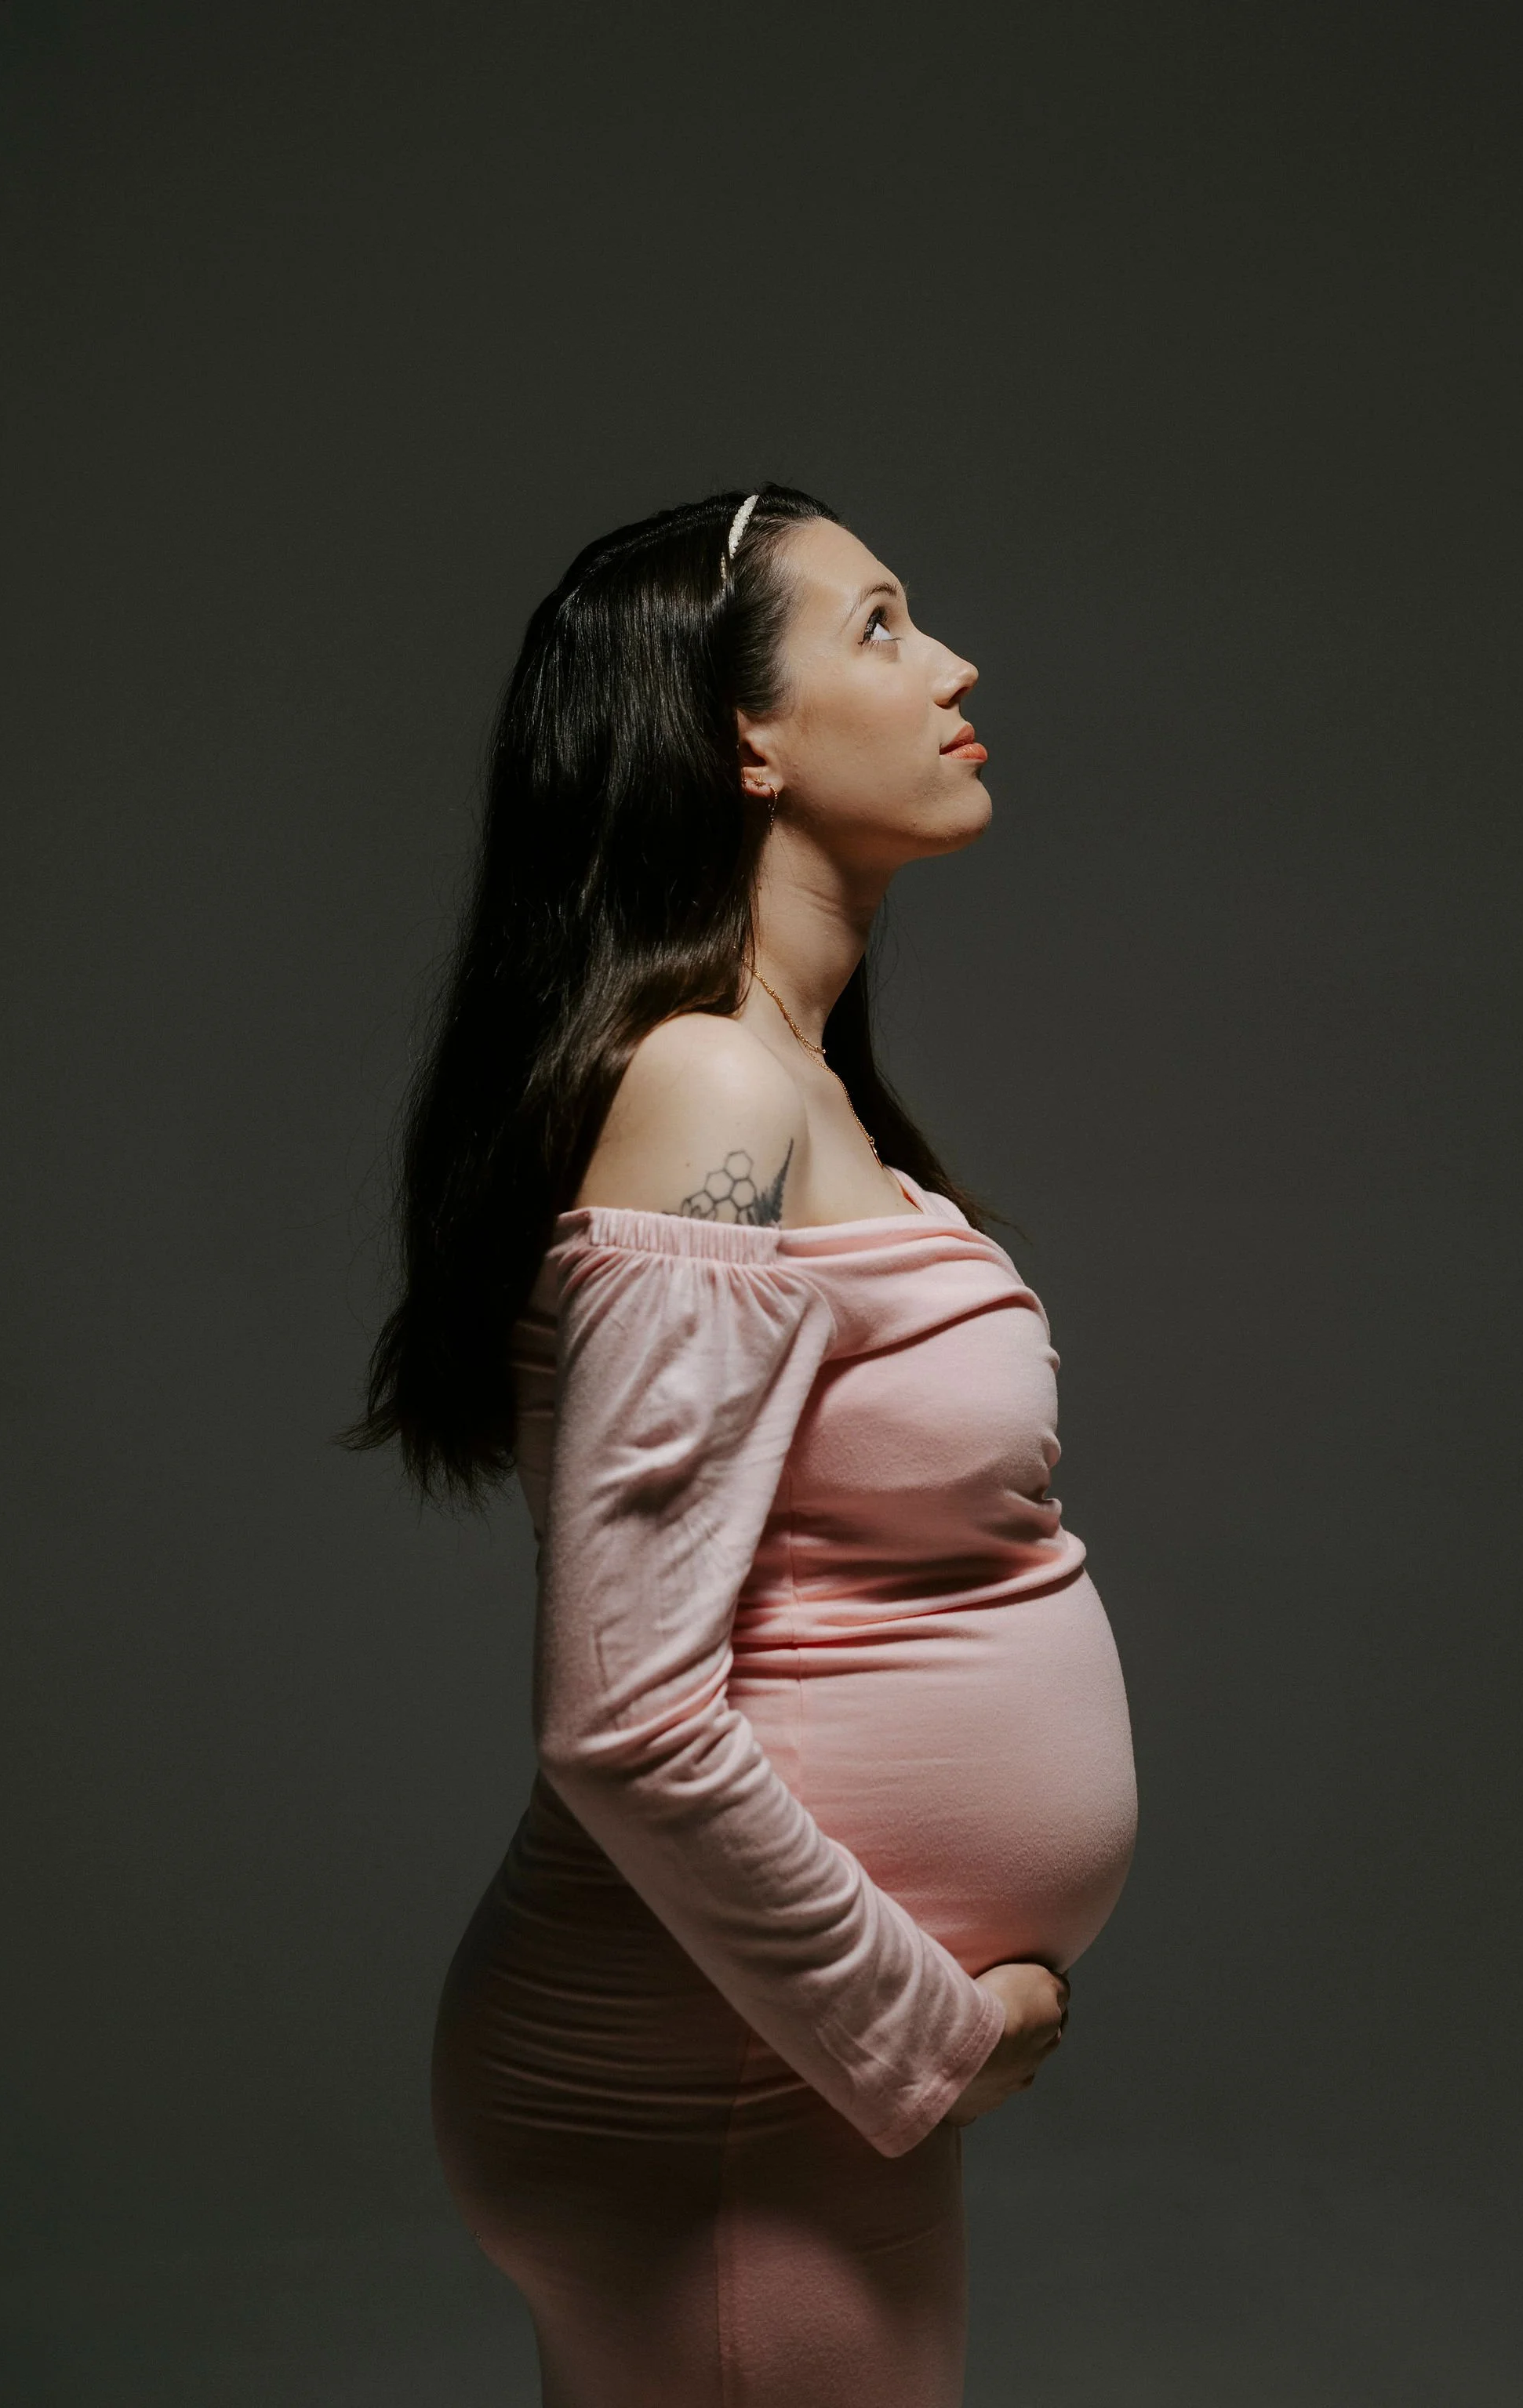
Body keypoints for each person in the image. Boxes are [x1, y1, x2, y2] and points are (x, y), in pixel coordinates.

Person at [347, 485, 1139, 2406]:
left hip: (785, 2084)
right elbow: (623, 1707)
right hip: (718, 2085)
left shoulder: (802, 1094)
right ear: (741, 737)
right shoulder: (709, 1081)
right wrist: (923, 2033)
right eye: (879, 625)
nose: (951, 666)